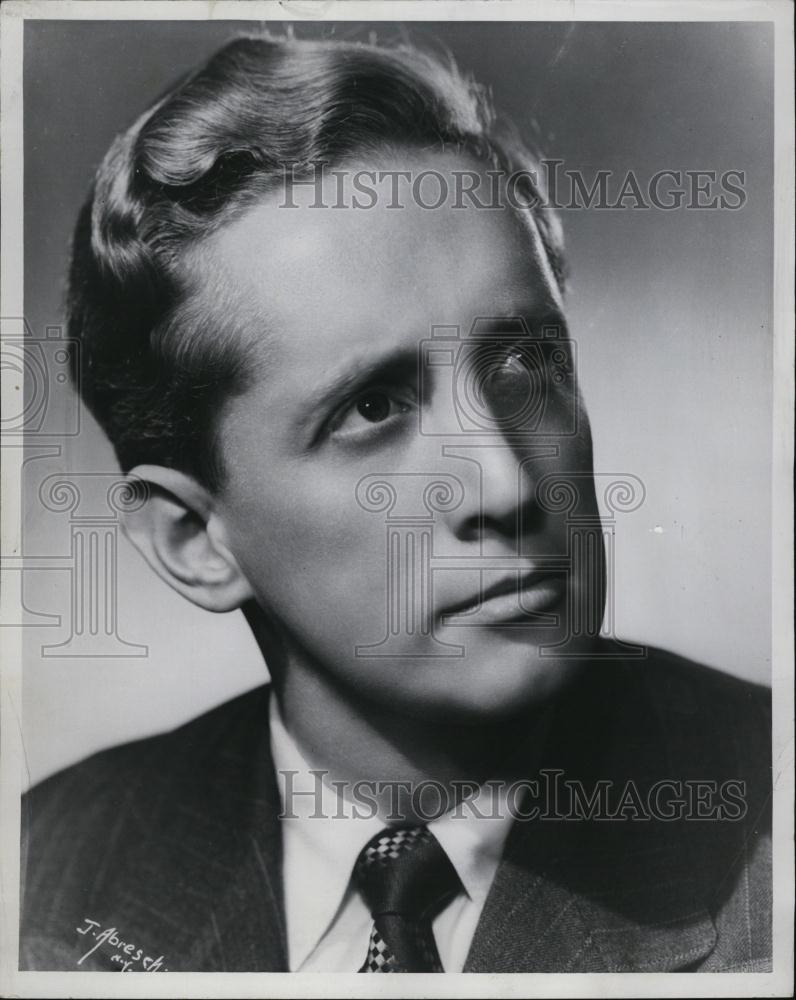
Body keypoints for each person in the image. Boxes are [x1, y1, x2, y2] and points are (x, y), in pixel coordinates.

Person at [20, 33, 771, 974]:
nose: (504, 482)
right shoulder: (43, 877)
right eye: (373, 407)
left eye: (528, 362)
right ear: (193, 540)